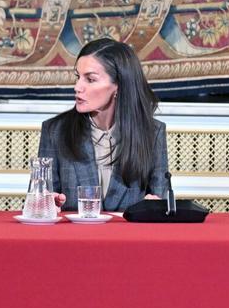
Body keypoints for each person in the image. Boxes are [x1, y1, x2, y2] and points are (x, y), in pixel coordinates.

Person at [39, 38, 169, 211]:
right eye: (78, 77)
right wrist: (46, 204)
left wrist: (157, 206)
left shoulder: (152, 133)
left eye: (90, 79)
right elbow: (39, 200)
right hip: (74, 236)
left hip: (129, 237)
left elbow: (162, 203)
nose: (78, 87)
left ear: (118, 86)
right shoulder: (55, 131)